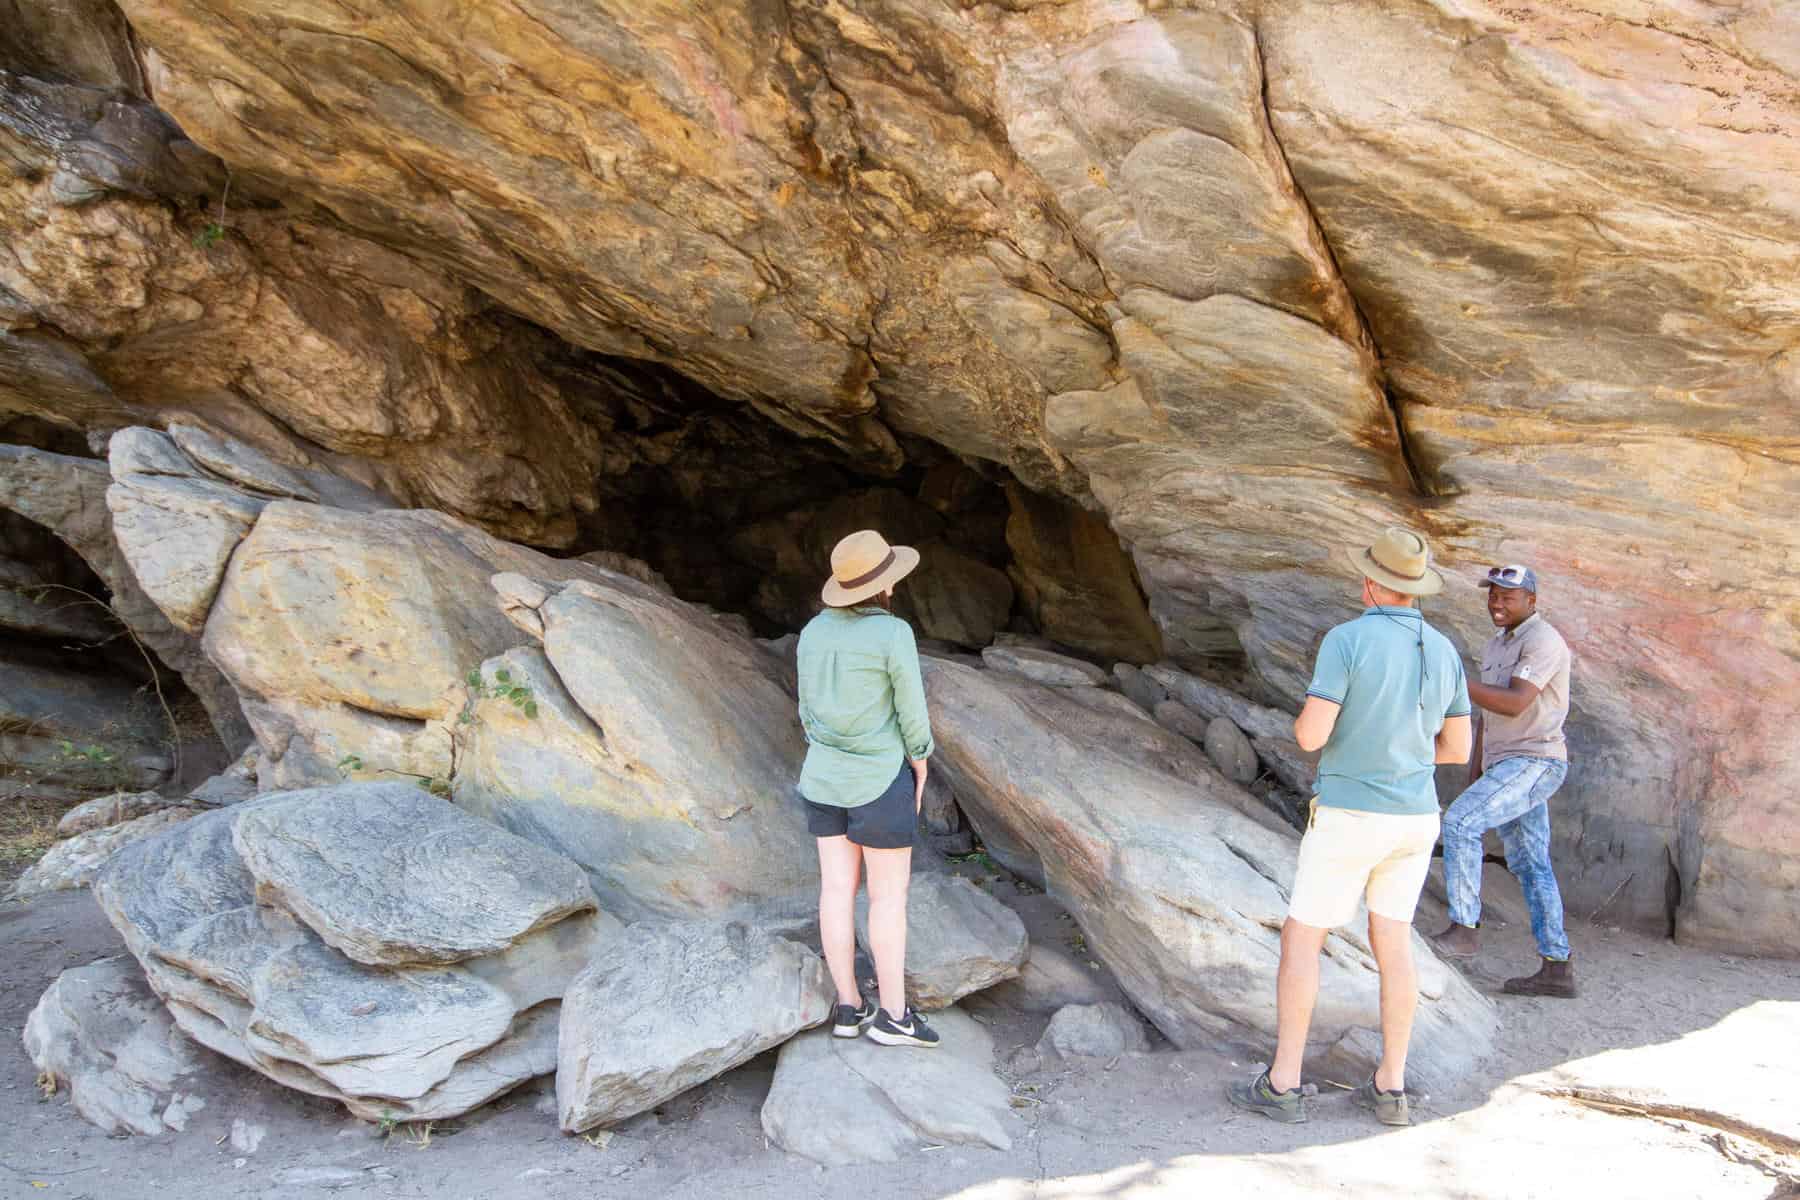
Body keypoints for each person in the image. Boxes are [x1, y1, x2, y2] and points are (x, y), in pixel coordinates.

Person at [1228, 527, 1471, 1128]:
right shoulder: (1444, 650)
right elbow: (1457, 747)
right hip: (1416, 818)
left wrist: (1352, 739)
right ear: (1415, 590)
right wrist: (1402, 749)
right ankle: (1390, 1086)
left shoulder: (1347, 639)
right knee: (1394, 942)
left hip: (1351, 813)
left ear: (1370, 582)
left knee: (1303, 938)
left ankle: (1283, 1083)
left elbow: (1311, 734)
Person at [795, 529, 939, 1048]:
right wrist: (920, 760)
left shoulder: (812, 633)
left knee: (835, 891)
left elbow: (806, 712)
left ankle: (849, 1008)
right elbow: (911, 711)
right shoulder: (892, 633)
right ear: (882, 585)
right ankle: (894, 1017)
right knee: (886, 899)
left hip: (822, 778)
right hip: (878, 780)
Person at [1429, 564, 1577, 998]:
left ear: (1531, 600)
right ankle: (1557, 967)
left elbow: (1514, 703)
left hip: (1535, 760)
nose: (1497, 603)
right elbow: (1489, 715)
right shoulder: (1498, 644)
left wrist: (1456, 679)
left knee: (1458, 824)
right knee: (1531, 864)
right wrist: (1474, 773)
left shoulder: (1543, 640)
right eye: (1492, 595)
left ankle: (1464, 930)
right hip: (1505, 763)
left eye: (1508, 596)